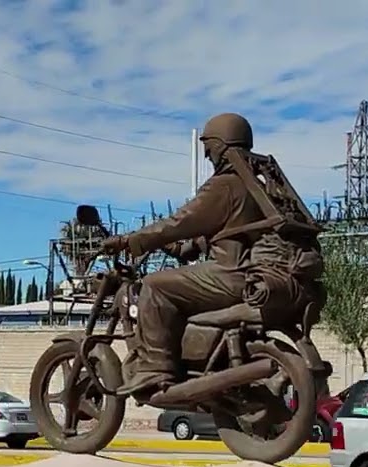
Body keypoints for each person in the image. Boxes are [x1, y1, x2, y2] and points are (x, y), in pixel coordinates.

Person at [99, 112, 323, 400]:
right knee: (169, 284)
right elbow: (204, 237)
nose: (207, 157)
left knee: (154, 286)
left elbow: (180, 222)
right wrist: (173, 246)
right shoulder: (260, 189)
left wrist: (130, 241)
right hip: (256, 275)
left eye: (210, 149)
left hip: (232, 275)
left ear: (220, 146)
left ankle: (155, 368)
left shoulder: (225, 186)